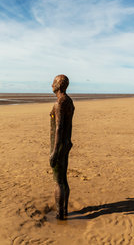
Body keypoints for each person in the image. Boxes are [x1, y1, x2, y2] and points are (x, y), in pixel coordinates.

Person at [49, 74, 75, 220]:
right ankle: (64, 210)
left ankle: (60, 214)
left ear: (60, 85)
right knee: (63, 179)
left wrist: (54, 152)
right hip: (66, 143)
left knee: (58, 180)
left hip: (59, 144)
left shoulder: (60, 103)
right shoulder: (69, 101)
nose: (52, 85)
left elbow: (59, 128)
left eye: (54, 82)